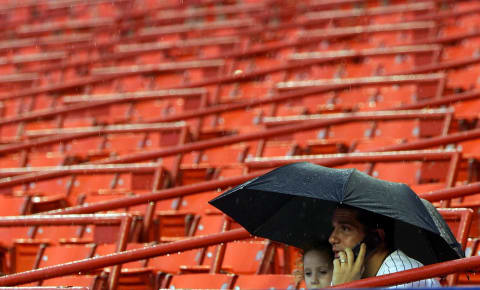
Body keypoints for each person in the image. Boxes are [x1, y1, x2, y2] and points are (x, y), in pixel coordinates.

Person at [329, 204, 441, 287]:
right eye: (334, 228)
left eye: (345, 228)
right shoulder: (345, 273)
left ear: (376, 237)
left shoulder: (403, 279)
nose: (332, 239)